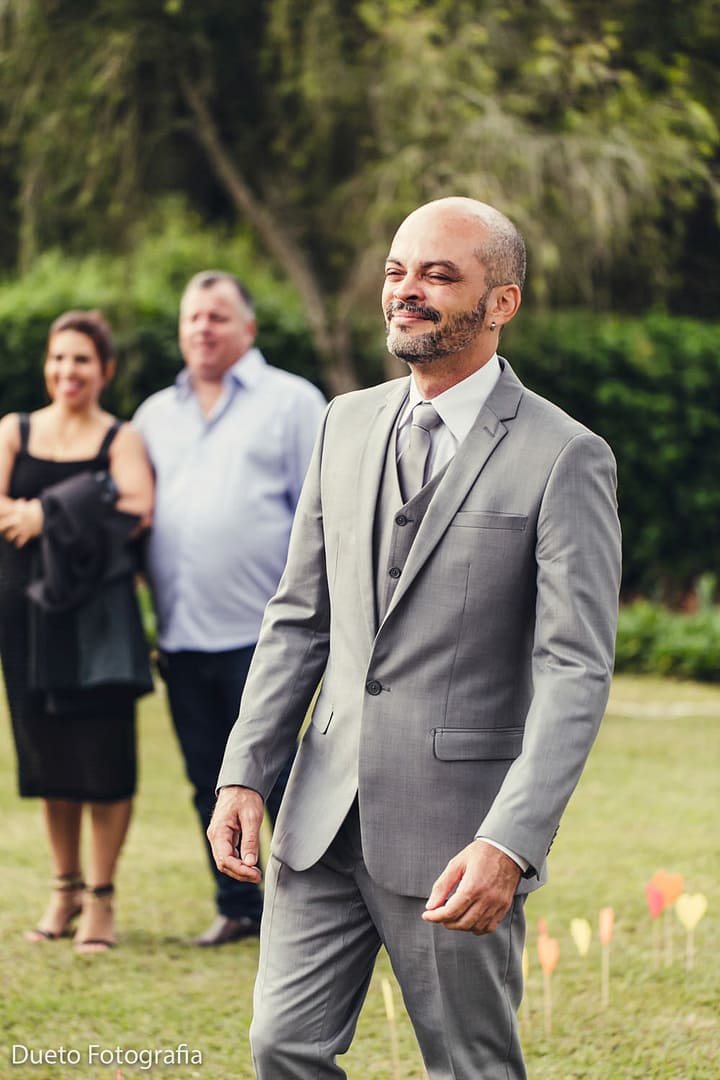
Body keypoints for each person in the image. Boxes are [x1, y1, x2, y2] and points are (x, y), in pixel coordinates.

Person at [208, 197, 622, 1077]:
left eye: (439, 274)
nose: (408, 290)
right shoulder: (344, 421)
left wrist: (510, 840)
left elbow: (574, 669)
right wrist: (246, 771)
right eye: (398, 271)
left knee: (470, 1065)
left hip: (457, 835)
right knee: (281, 1046)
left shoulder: (565, 455)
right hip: (319, 818)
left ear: (501, 302)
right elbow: (299, 619)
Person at [134, 271, 326, 946]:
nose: (202, 329)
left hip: (267, 636)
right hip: (182, 634)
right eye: (192, 317)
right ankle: (239, 906)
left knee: (285, 782)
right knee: (206, 780)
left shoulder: (293, 402)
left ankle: (315, 913)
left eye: (217, 317)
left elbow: (320, 514)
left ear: (248, 328)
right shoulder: (154, 414)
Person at [0, 309, 154, 954]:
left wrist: (47, 514)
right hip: (25, 620)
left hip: (98, 624)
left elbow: (138, 507)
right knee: (47, 758)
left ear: (105, 370)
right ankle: (63, 890)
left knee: (104, 757)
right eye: (59, 357)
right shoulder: (15, 430)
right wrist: (59, 508)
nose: (68, 370)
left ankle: (101, 898)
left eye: (82, 359)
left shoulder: (120, 437)